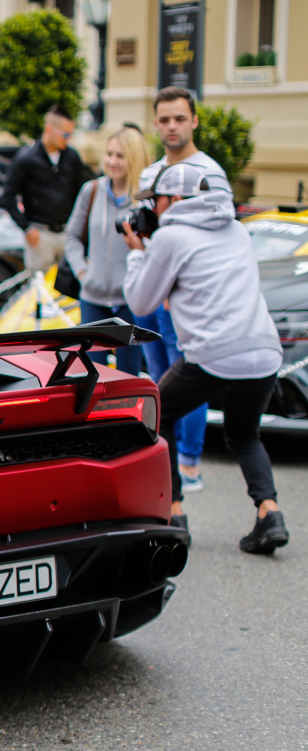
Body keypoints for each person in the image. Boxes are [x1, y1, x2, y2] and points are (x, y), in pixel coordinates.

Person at [122, 164, 287, 554]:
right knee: (245, 434)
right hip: (263, 349)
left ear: (175, 200)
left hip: (213, 353)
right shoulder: (236, 229)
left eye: (156, 201)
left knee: (158, 417)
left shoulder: (171, 237)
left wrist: (136, 255)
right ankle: (270, 513)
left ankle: (174, 514)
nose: (153, 209)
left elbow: (140, 302)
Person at [138, 87, 229, 491]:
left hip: (187, 296)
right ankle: (166, 457)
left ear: (194, 121)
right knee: (160, 377)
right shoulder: (150, 173)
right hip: (150, 286)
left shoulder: (210, 171)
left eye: (179, 118)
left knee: (188, 372)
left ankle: (190, 462)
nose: (171, 126)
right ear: (156, 123)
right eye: (164, 119)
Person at [64, 127, 150, 376]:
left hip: (130, 302)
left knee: (129, 373)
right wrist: (82, 272)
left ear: (133, 158)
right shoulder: (91, 191)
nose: (112, 161)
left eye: (120, 156)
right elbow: (72, 237)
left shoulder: (144, 200)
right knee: (92, 372)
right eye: (110, 154)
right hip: (93, 298)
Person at [2, 104, 90, 275]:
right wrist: (26, 228)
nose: (68, 138)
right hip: (40, 235)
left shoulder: (72, 157)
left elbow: (81, 193)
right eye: (65, 134)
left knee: (69, 291)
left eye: (71, 134)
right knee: (41, 292)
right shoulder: (26, 158)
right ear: (49, 129)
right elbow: (8, 196)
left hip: (67, 233)